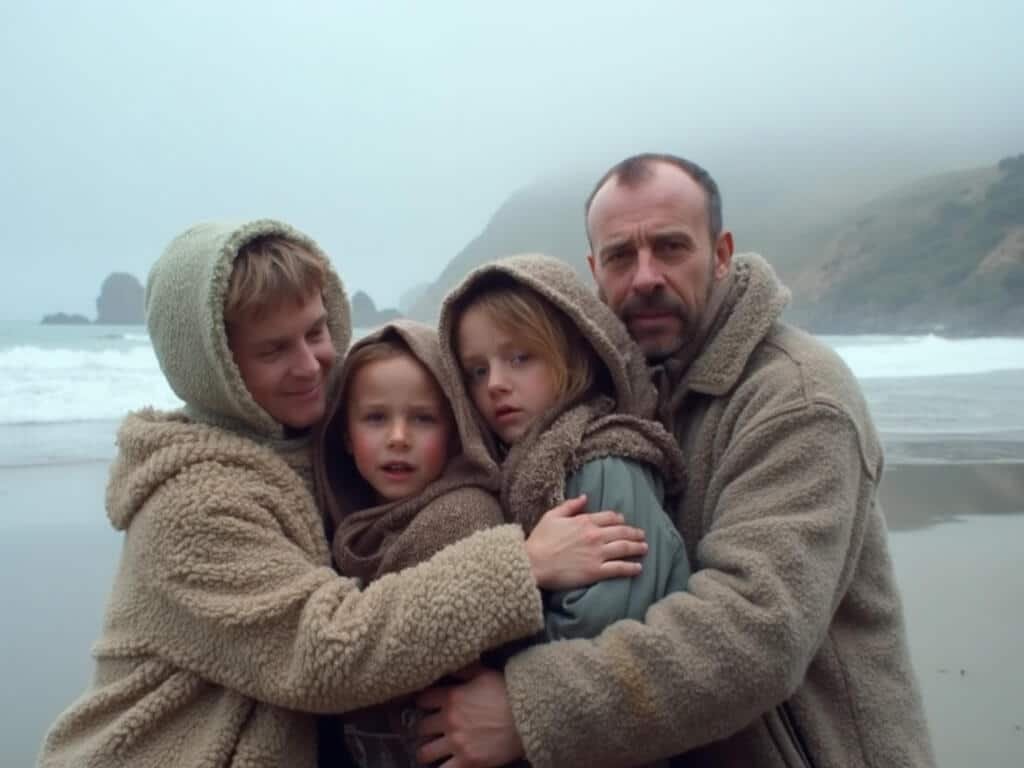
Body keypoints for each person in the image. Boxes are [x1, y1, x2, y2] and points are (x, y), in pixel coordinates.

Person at [37, 219, 650, 768]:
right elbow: (324, 649)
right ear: (215, 369)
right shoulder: (190, 504)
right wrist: (523, 563)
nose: (310, 365)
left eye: (315, 331)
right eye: (274, 349)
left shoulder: (312, 452)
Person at [415, 155, 936, 767]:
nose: (644, 277)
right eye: (619, 257)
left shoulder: (796, 397)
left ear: (720, 253)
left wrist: (525, 709)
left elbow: (756, 631)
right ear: (593, 271)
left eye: (670, 247)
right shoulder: (608, 402)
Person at [439, 253, 690, 642]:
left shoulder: (605, 465)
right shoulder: (514, 466)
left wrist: (487, 661)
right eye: (477, 370)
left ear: (575, 357)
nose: (495, 384)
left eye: (520, 358)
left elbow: (601, 625)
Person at [312, 319, 507, 767]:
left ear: (455, 429)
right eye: (376, 417)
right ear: (344, 433)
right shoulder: (346, 531)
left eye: (423, 418)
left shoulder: (465, 519)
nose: (398, 438)